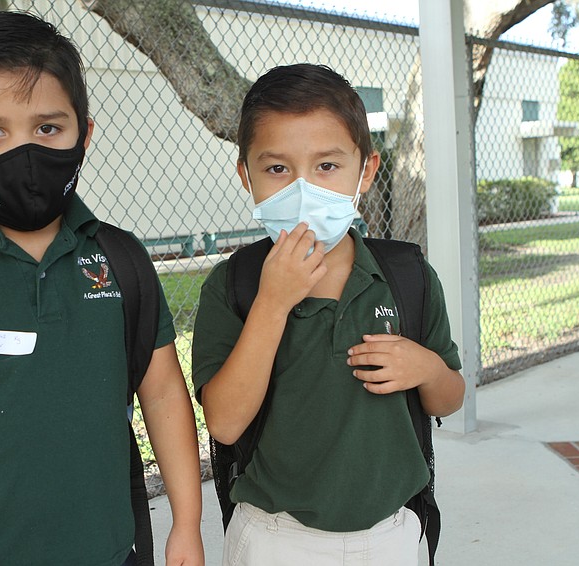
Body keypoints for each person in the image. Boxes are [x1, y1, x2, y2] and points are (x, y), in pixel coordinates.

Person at [0, 12, 204, 566]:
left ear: (84, 133)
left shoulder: (122, 259)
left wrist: (186, 525)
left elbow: (164, 393)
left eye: (47, 128)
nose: (23, 153)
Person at [192, 63, 465, 566]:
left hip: (391, 534)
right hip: (274, 537)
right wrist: (272, 303)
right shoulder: (234, 287)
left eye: (327, 166)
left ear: (366, 170)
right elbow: (225, 424)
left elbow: (450, 396)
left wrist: (426, 368)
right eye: (277, 169)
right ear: (245, 175)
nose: (304, 190)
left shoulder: (408, 278)